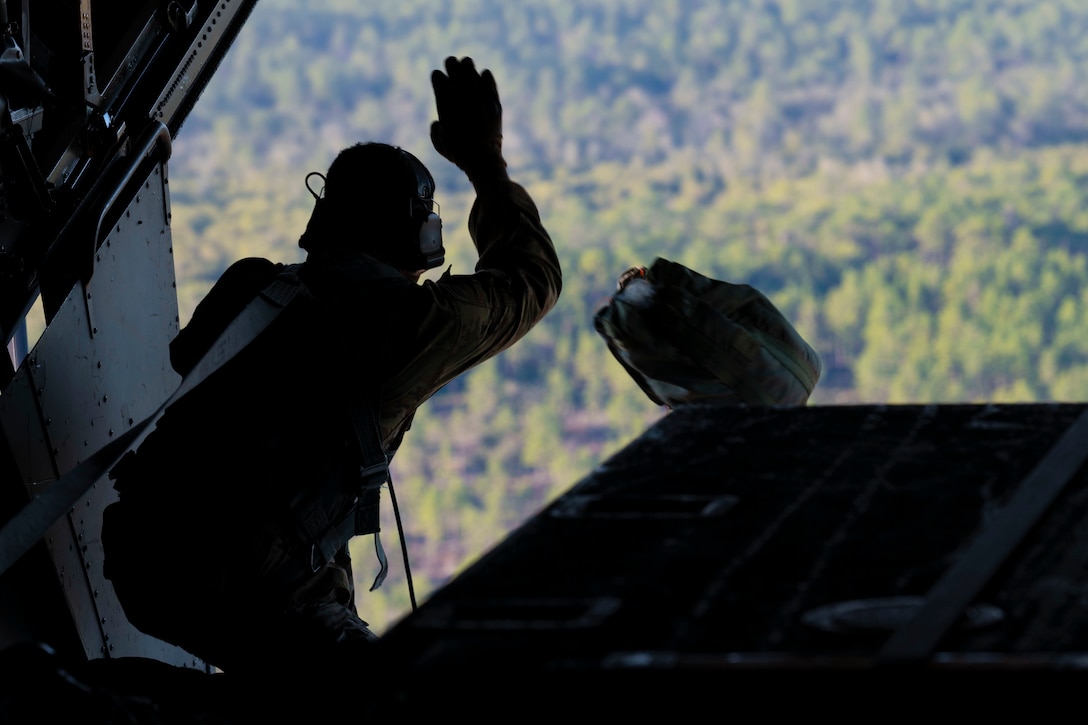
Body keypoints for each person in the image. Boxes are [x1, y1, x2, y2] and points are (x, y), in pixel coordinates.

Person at [100, 56, 562, 676]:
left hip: (145, 557)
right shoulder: (412, 326)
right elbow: (532, 279)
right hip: (252, 588)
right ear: (419, 239)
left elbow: (188, 358)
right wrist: (486, 163)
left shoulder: (251, 288)